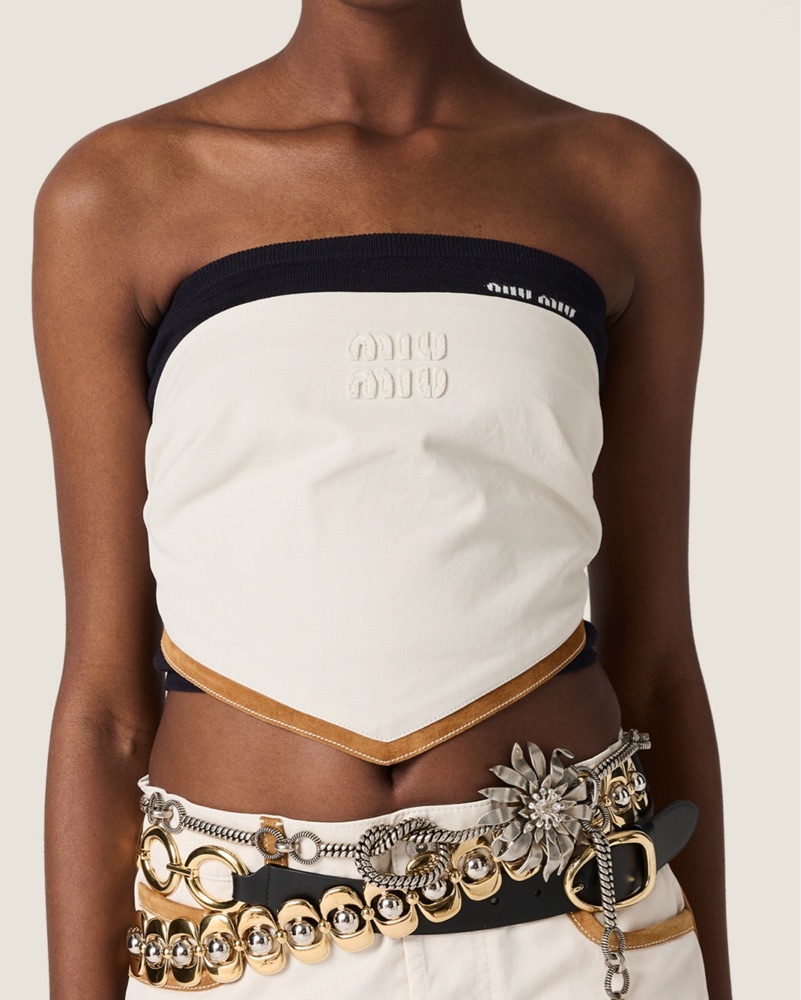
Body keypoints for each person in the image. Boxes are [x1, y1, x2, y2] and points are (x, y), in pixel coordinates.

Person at [33, 1, 730, 997]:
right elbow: (103, 707)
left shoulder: (622, 184)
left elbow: (657, 664)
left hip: (582, 939)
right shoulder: (117, 193)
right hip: (242, 950)